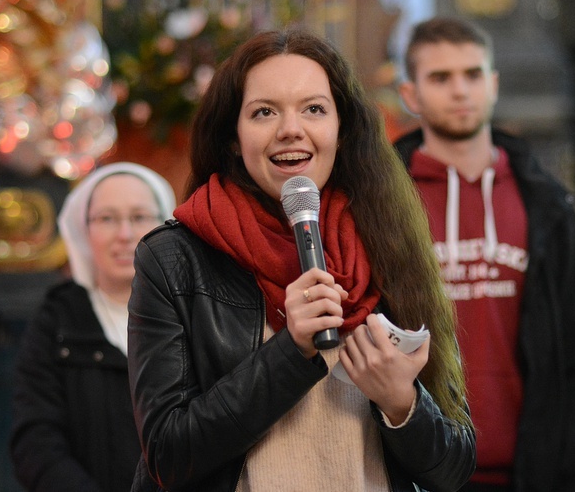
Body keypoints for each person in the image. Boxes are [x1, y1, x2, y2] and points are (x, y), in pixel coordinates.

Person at [127, 28, 476, 492]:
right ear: (233, 137)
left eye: (314, 109)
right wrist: (291, 351)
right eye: (264, 112)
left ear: (342, 129)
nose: (291, 129)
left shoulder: (393, 244)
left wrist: (402, 403)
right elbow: (168, 456)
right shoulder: (173, 260)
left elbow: (454, 467)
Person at [394, 17, 575, 491]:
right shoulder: (383, 202)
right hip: (416, 471)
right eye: (440, 78)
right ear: (411, 95)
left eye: (473, 74)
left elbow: (572, 360)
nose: (460, 90)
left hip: (525, 473)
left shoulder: (547, 204)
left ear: (494, 84)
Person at [10, 162, 176, 492]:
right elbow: (36, 439)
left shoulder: (193, 313)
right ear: (84, 231)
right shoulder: (57, 318)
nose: (124, 234)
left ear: (166, 226)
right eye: (107, 219)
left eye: (140, 216)